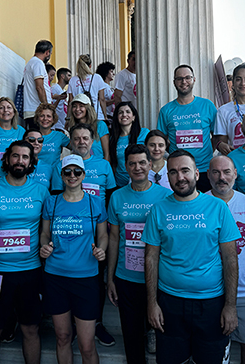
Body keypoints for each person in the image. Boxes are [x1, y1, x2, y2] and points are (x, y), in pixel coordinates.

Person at [142, 149, 240, 363]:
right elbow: (150, 258)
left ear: (197, 174)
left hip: (211, 303)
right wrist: (152, 303)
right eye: (173, 172)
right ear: (167, 177)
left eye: (185, 170)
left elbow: (231, 259)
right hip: (169, 302)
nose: (180, 177)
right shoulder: (158, 210)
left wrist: (231, 306)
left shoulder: (218, 207)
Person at [0, 141, 49, 364]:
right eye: (16, 156)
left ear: (32, 162)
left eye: (25, 157)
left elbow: (46, 229)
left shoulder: (40, 191)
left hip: (30, 272)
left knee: (30, 330)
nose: (20, 161)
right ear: (7, 159)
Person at [40, 154, 108, 364]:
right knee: (63, 337)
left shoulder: (95, 202)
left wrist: (102, 250)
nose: (72, 176)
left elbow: (103, 235)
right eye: (67, 172)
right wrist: (43, 246)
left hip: (86, 278)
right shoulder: (51, 202)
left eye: (77, 172)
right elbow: (44, 233)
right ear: (61, 175)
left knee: (87, 344)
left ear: (83, 175)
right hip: (55, 277)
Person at [107, 144, 171, 363]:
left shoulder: (166, 196)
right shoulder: (116, 197)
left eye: (142, 163)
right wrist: (110, 277)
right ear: (125, 166)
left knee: (164, 335)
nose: (137, 168)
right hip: (127, 278)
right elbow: (114, 239)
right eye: (132, 163)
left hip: (160, 277)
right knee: (132, 337)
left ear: (150, 165)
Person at [206, 156, 245, 364]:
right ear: (207, 175)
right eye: (216, 172)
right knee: (212, 349)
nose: (221, 177)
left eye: (226, 172)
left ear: (235, 174)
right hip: (210, 291)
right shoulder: (200, 204)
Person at [157, 64, 217, 192]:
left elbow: (217, 135)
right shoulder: (166, 110)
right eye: (179, 78)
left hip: (204, 170)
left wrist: (207, 151)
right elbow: (161, 140)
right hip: (178, 172)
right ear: (174, 82)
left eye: (187, 78)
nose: (184, 81)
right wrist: (175, 153)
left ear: (194, 79)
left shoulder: (207, 105)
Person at [51, 124, 116, 205]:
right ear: (71, 142)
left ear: (91, 142)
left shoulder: (104, 164)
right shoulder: (60, 165)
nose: (81, 142)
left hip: (99, 214)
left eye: (85, 138)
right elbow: (56, 196)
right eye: (77, 139)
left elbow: (111, 195)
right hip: (70, 214)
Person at [110, 102, 150, 188]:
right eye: (120, 112)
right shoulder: (113, 139)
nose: (124, 115)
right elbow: (113, 163)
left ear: (134, 117)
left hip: (142, 181)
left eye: (128, 112)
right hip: (120, 184)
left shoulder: (144, 133)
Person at [66, 94, 110, 161]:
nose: (77, 109)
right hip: (79, 167)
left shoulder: (100, 125)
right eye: (74, 106)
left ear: (88, 108)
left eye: (81, 106)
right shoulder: (72, 127)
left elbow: (107, 153)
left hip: (98, 166)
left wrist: (105, 168)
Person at [67, 55, 108, 121]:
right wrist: (105, 116)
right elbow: (102, 99)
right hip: (96, 115)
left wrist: (68, 117)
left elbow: (70, 101)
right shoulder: (97, 78)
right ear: (90, 66)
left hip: (78, 116)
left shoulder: (73, 80)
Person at [23, 40, 53, 128]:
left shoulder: (31, 62)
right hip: (37, 111)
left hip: (33, 110)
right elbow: (39, 87)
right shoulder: (38, 63)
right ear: (47, 52)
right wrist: (46, 107)